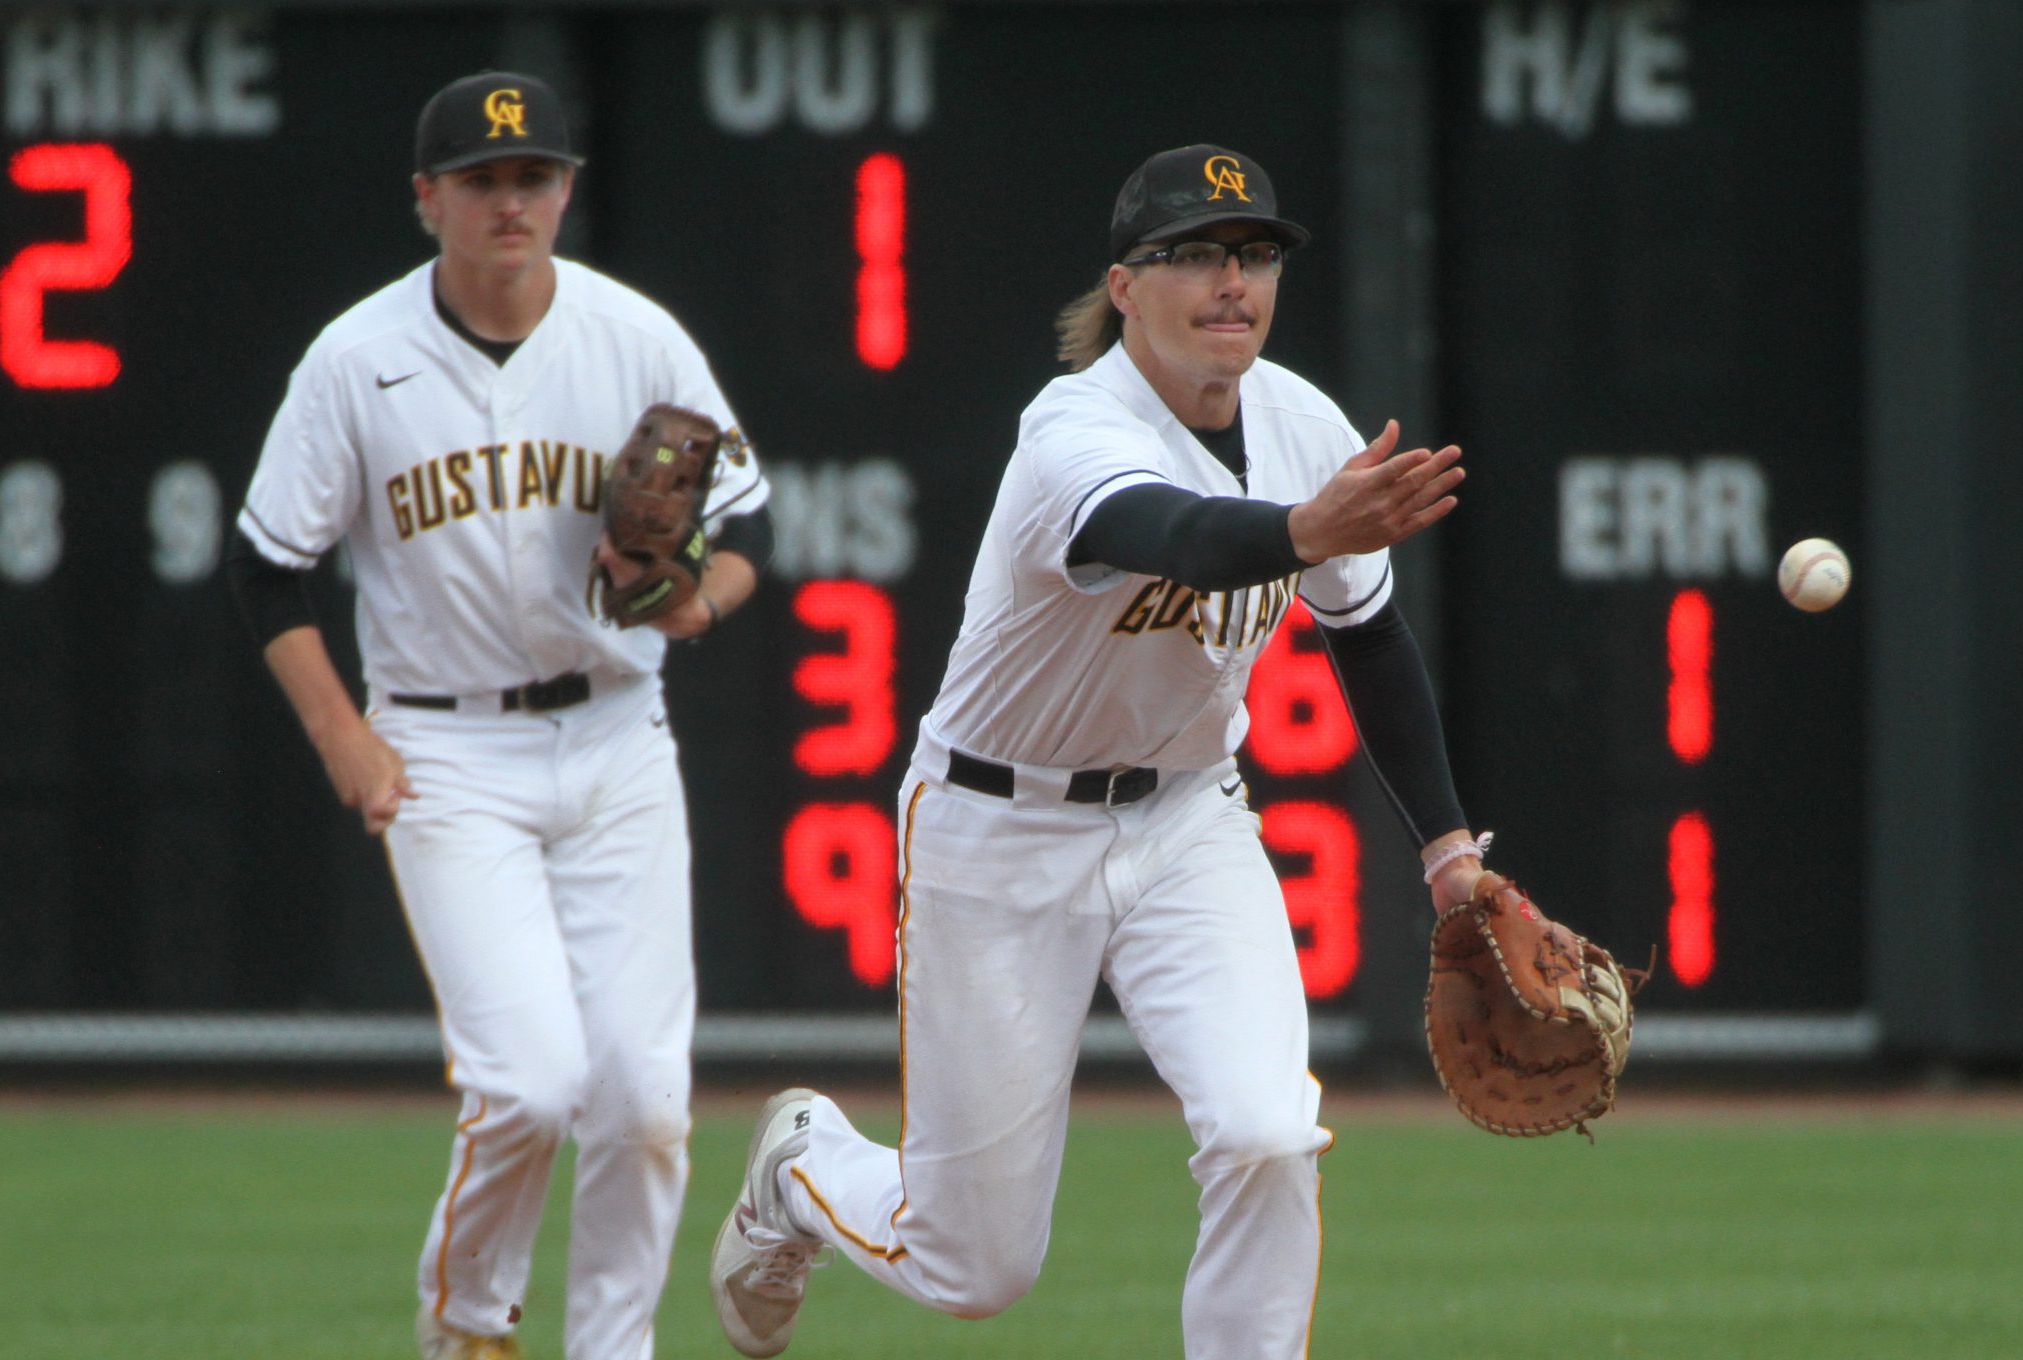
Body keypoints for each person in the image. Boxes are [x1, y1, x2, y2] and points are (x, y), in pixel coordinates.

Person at [701, 143, 1560, 1360]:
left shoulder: (1297, 418)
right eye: (1196, 256)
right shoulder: (1073, 427)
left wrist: (1448, 854)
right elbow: (1172, 532)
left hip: (1186, 822)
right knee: (974, 1263)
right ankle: (801, 1167)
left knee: (1268, 1133)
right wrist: (1309, 526)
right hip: (998, 827)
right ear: (1123, 285)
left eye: (1253, 255)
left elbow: (1366, 636)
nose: (1232, 281)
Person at [226, 72, 772, 1358]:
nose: (510, 199)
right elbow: (265, 562)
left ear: (566, 190)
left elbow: (749, 529)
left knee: (641, 1099)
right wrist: (341, 735)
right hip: (443, 744)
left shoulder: (636, 337)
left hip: (617, 732)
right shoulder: (356, 362)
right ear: (428, 201)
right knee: (530, 1084)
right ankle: (469, 1324)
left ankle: (611, 1347)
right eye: (479, 179)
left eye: (533, 176)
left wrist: (697, 599)